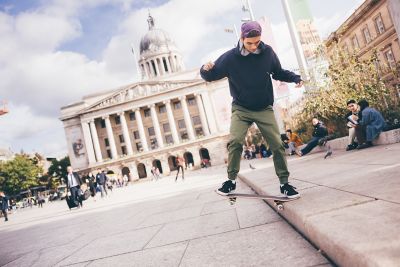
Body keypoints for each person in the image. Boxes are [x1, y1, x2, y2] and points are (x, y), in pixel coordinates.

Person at [200, 21, 303, 198]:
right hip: (241, 109)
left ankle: (285, 184)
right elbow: (210, 75)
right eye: (250, 43)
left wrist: (295, 78)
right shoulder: (230, 58)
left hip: (264, 108)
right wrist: (204, 69)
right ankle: (230, 181)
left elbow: (278, 72)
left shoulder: (267, 52)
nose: (254, 46)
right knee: (236, 142)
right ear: (242, 38)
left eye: (257, 42)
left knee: (277, 145)